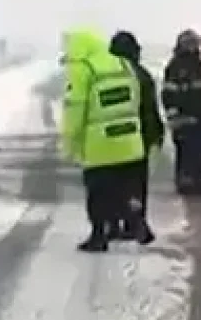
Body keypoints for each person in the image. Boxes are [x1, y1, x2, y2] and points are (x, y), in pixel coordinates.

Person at [60, 28, 152, 252]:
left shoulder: (84, 69)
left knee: (99, 192)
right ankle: (135, 217)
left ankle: (99, 235)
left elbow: (75, 108)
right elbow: (138, 98)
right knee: (128, 186)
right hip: (130, 141)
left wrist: (71, 141)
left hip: (100, 145)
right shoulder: (123, 64)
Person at [108, 30, 164, 236]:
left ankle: (112, 222)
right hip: (137, 137)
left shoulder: (105, 76)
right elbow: (150, 107)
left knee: (111, 181)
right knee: (135, 182)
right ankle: (134, 221)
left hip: (110, 137)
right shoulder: (142, 74)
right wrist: (156, 131)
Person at [162, 29, 201, 195]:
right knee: (186, 151)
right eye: (191, 45)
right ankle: (185, 182)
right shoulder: (174, 68)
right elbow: (168, 94)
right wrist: (174, 115)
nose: (195, 49)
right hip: (183, 119)